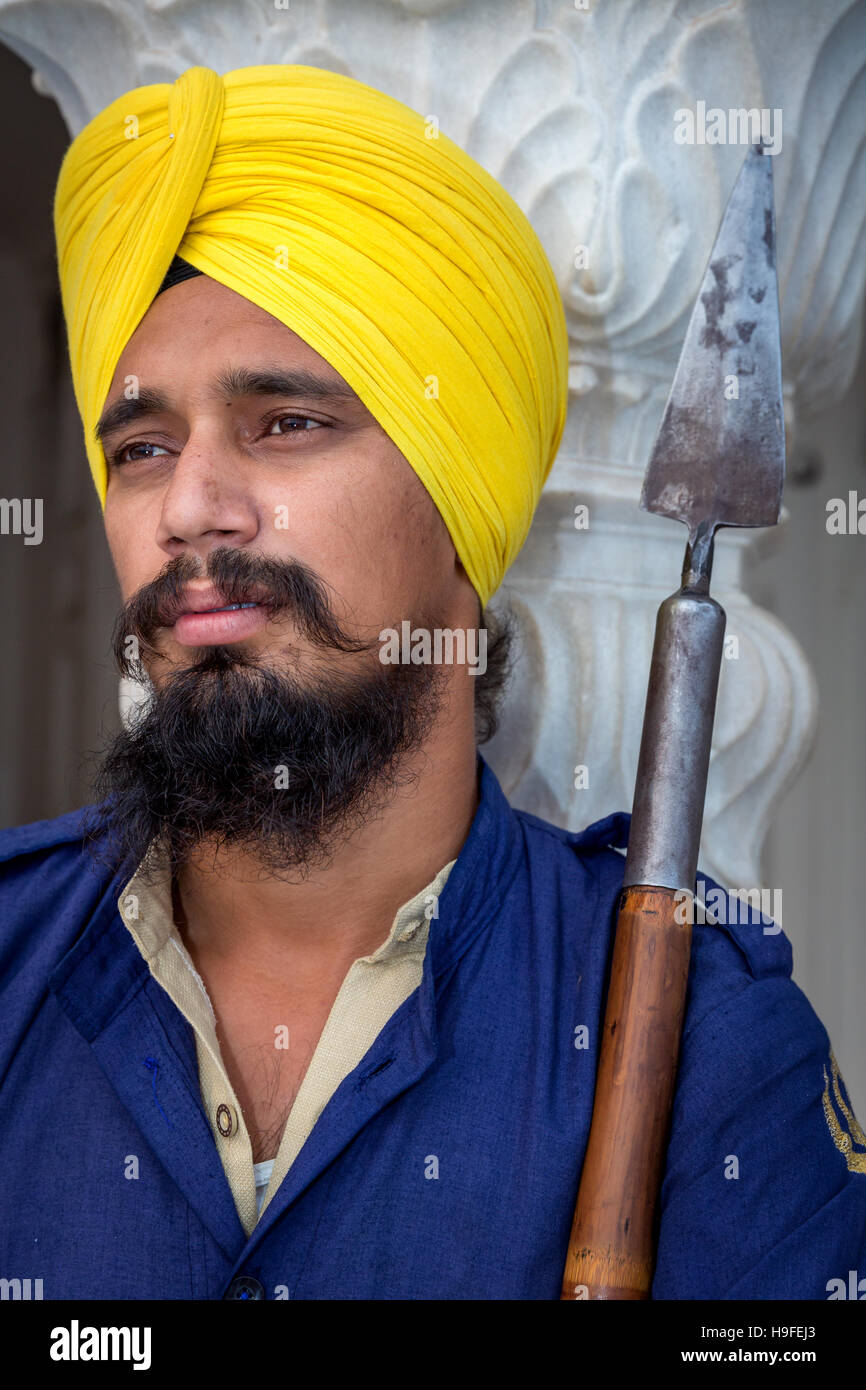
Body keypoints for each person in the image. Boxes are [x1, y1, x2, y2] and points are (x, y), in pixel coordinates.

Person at [0, 63, 863, 1302]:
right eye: (142, 447)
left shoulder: (700, 1036)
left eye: (284, 423)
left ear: (459, 505)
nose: (188, 507)